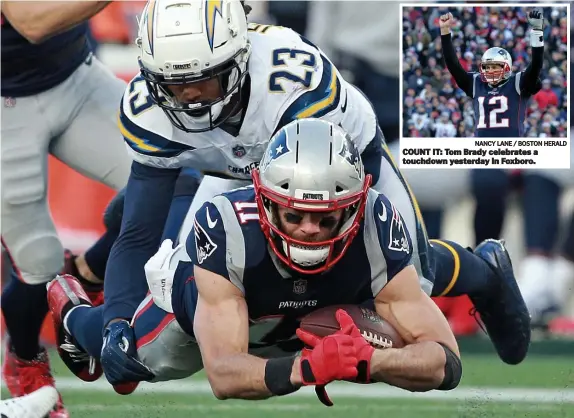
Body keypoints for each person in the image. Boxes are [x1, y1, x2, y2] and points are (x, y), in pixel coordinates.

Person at [99, 0, 529, 389]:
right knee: (191, 282)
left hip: (332, 161)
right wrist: (115, 321)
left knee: (401, 272)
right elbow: (138, 232)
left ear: (238, 59)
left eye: (205, 81)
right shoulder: (147, 107)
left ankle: (482, 272)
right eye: (175, 84)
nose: (190, 98)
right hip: (233, 171)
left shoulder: (294, 85)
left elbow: (328, 205)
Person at [48, 120, 462, 403]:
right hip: (212, 311)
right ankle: (72, 310)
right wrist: (305, 368)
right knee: (126, 368)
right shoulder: (227, 227)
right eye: (294, 214)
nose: (309, 230)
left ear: (353, 208)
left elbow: (446, 360)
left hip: (304, 311)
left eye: (326, 216)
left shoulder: (377, 222)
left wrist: (372, 362)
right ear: (265, 202)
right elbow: (224, 373)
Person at [1, 2, 132, 415]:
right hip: (6, 109)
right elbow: (31, 21)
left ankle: (85, 274)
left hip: (76, 78)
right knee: (37, 261)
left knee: (172, 183)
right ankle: (25, 362)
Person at [439, 9, 544, 137]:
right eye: (487, 67)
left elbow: (536, 64)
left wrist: (537, 31)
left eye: (494, 67)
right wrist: (445, 32)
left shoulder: (517, 82)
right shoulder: (476, 83)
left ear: (507, 67)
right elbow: (453, 65)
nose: (490, 71)